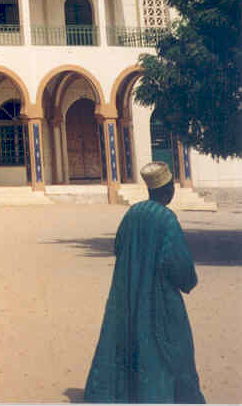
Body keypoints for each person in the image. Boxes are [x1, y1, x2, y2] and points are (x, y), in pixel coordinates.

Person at [84, 161, 204, 403]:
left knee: (129, 343)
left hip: (128, 294)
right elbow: (179, 265)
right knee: (170, 348)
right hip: (160, 300)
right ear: (167, 189)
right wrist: (188, 281)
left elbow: (118, 247)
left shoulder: (132, 214)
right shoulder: (167, 219)